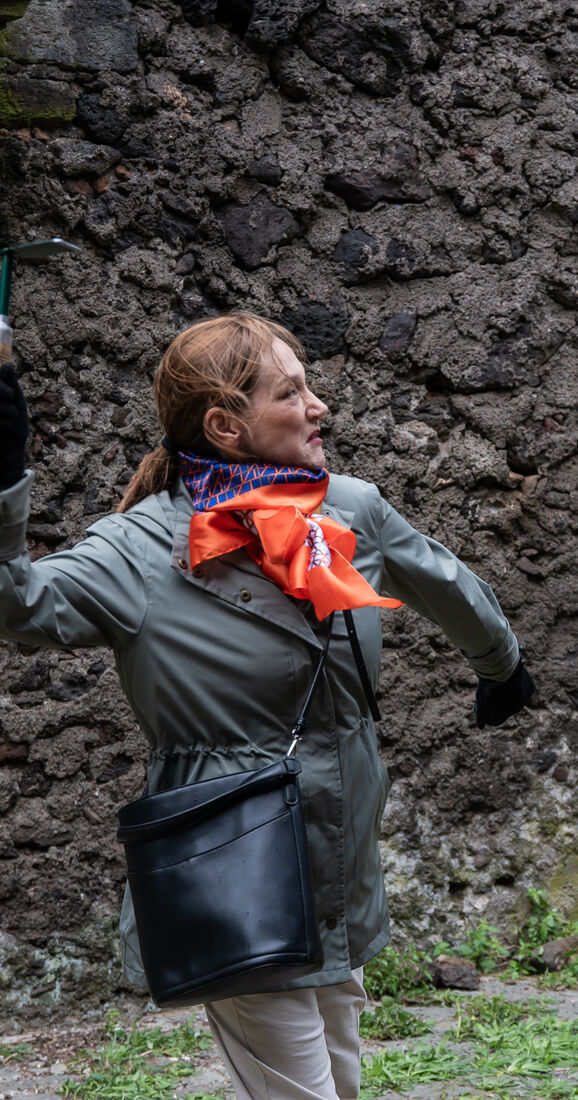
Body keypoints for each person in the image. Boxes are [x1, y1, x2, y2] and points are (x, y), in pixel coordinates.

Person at [0, 312, 537, 1100]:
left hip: (341, 858)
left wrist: (502, 666)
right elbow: (15, 606)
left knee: (338, 1077)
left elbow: (446, 584)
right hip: (235, 862)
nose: (319, 406)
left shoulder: (346, 509)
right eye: (291, 392)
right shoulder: (141, 551)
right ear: (225, 425)